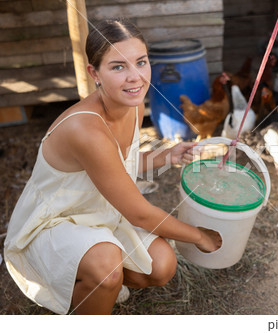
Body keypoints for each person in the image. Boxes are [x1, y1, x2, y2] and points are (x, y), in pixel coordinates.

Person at [3, 18, 221, 315]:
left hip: (97, 214)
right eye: (118, 67)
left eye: (141, 62)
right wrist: (199, 236)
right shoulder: (86, 130)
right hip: (54, 223)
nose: (135, 77)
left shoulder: (134, 105)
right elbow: (139, 213)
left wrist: (166, 156)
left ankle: (91, 288)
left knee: (162, 265)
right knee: (107, 266)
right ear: (95, 73)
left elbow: (118, 167)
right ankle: (92, 291)